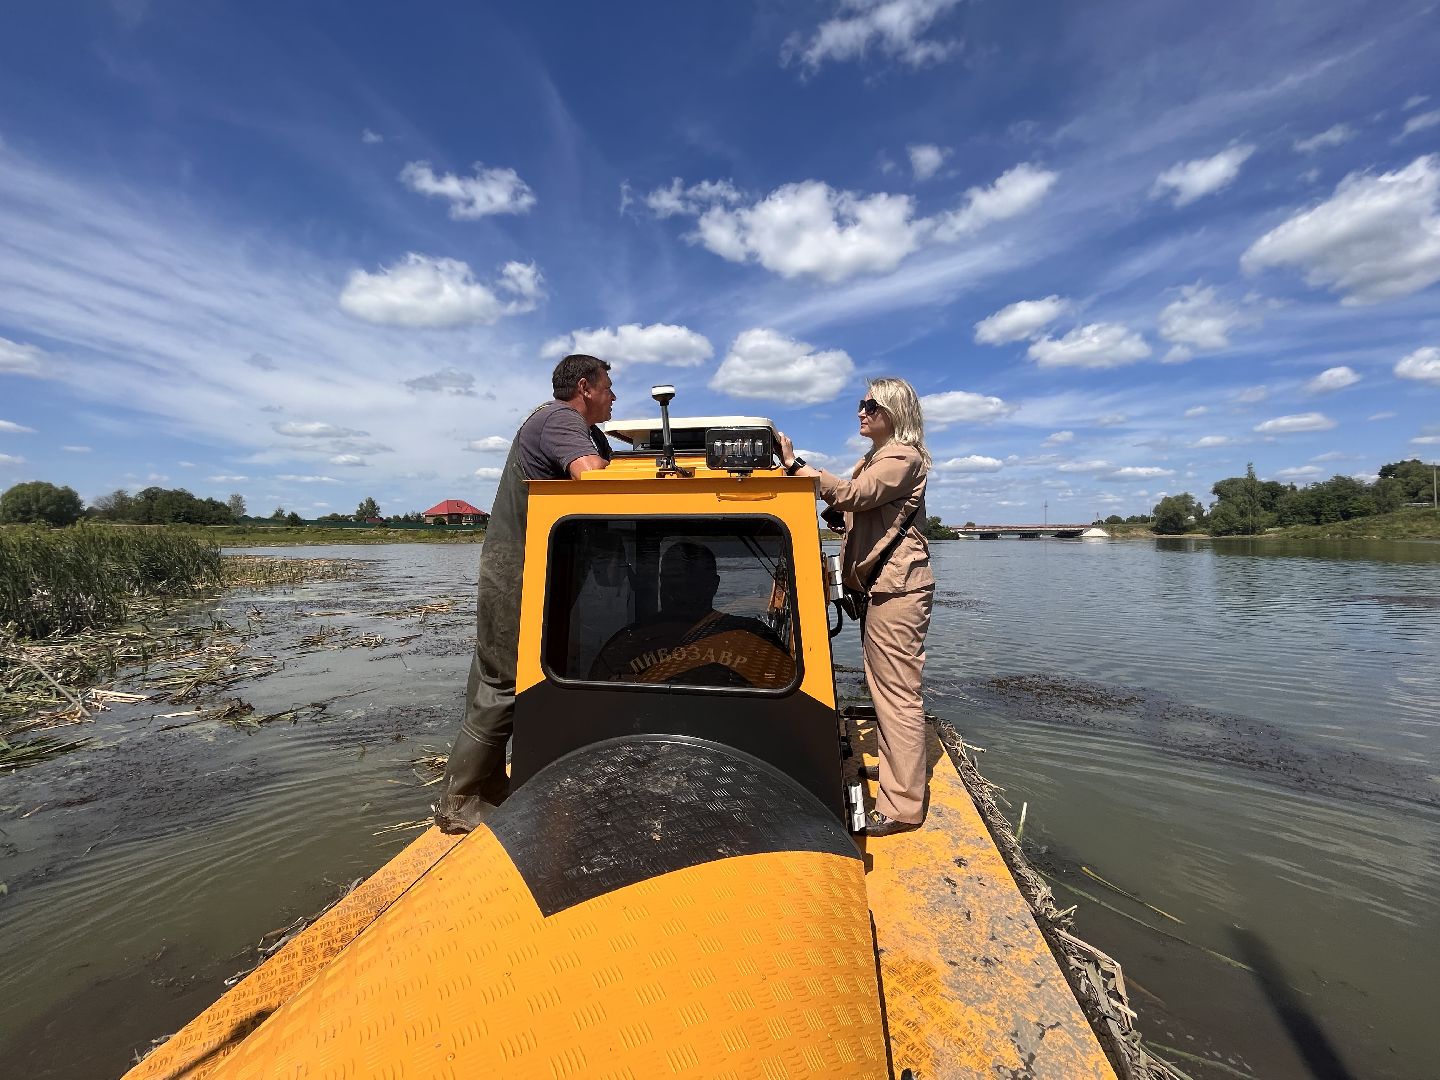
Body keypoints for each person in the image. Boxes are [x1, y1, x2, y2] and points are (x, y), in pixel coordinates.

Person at [433, 354, 616, 833]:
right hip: (516, 572)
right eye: (608, 387)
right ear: (585, 387)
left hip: (534, 570)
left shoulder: (583, 430)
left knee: (493, 676)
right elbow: (591, 477)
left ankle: (489, 788)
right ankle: (458, 801)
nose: (614, 397)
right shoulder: (559, 419)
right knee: (503, 681)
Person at [777, 377, 934, 837]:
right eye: (861, 405)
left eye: (870, 405)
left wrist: (797, 466)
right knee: (883, 689)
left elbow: (854, 496)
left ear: (893, 411)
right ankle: (896, 780)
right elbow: (850, 508)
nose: (861, 412)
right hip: (882, 589)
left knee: (897, 694)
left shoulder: (902, 457)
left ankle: (903, 806)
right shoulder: (874, 459)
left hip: (897, 591)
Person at [588, 540, 795, 689]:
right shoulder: (754, 638)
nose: (678, 590)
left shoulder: (755, 640)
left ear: (712, 585)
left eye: (689, 581)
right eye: (673, 580)